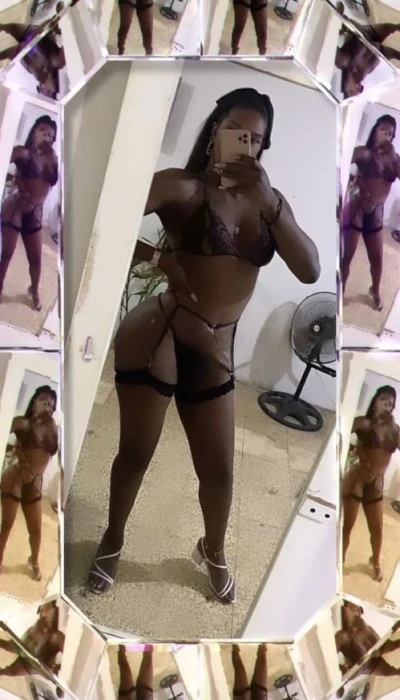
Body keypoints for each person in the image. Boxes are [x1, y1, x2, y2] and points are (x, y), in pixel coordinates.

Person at [87, 86, 320, 603]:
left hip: (216, 352)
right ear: (215, 130)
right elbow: (102, 215)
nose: (244, 144)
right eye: (235, 130)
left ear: (264, 147)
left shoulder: (270, 205)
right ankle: (113, 538)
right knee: (136, 453)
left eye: (255, 139)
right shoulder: (182, 186)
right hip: (164, 333)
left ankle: (212, 550)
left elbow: (310, 269)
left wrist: (271, 204)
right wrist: (159, 259)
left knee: (219, 472)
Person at [341, 115, 400, 311]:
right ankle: (340, 290)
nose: (387, 135)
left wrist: (393, 158)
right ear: (375, 131)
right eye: (384, 130)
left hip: (376, 213)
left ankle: (375, 290)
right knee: (347, 257)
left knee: (377, 260)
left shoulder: (394, 159)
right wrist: (352, 181)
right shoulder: (364, 153)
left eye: (390, 133)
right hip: (357, 208)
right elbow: (342, 163)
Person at [0, 115, 59, 311]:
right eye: (44, 132)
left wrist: (50, 158)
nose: (47, 137)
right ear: (34, 132)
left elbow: (53, 181)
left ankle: (33, 291)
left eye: (51, 135)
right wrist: (14, 180)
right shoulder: (22, 152)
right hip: (15, 207)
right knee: (6, 254)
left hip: (35, 212)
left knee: (36, 260)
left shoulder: (51, 159)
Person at [342, 385, 400, 582]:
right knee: (347, 526)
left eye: (391, 404)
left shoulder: (395, 430)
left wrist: (391, 427)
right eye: (384, 400)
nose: (387, 406)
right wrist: (350, 451)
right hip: (357, 479)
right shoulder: (363, 423)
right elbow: (341, 433)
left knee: (377, 530)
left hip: (376, 484)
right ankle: (340, 558)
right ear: (375, 402)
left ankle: (375, 562)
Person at [0, 385, 58, 581]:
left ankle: (33, 561)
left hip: (35, 484)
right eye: (44, 401)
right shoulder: (22, 423)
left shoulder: (52, 429)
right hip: (15, 478)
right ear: (34, 403)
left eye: (51, 405)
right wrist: (14, 449)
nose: (48, 407)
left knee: (36, 530)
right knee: (7, 525)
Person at [0, 600, 65, 697]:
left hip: (35, 663)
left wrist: (59, 669)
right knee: (4, 646)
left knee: (10, 671)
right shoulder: (40, 623)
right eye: (43, 610)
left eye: (47, 609)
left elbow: (68, 658)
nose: (44, 612)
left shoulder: (57, 637)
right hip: (24, 647)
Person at [336, 602, 400, 681]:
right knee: (388, 671)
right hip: (365, 664)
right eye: (353, 609)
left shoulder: (361, 624)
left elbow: (375, 636)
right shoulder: (343, 636)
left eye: (357, 610)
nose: (357, 612)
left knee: (395, 645)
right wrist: (342, 670)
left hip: (375, 648)